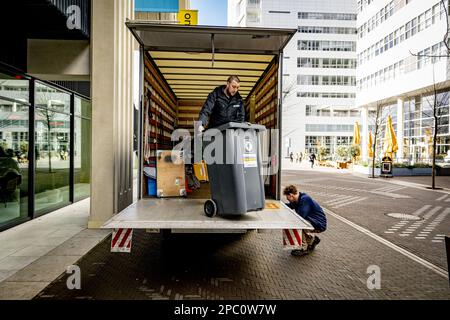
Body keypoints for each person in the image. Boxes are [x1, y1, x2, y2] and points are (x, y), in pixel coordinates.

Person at [283, 185, 327, 256]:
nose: (288, 199)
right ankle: (313, 240)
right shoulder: (297, 199)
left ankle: (303, 247)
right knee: (298, 223)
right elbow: (289, 206)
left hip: (319, 224)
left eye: (287, 198)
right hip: (313, 222)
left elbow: (301, 216)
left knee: (299, 224)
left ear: (291, 195)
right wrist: (280, 205)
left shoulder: (305, 199)